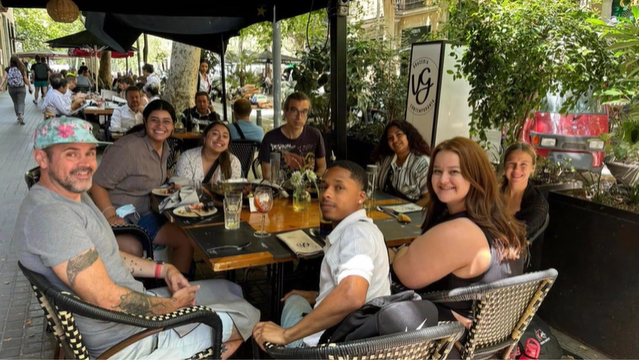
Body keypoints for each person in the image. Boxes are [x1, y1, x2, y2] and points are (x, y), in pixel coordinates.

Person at [16, 117, 260, 359]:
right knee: (249, 315)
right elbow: (106, 298)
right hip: (130, 340)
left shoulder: (69, 194)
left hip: (133, 317)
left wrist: (164, 270)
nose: (86, 164)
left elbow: (105, 256)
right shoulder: (51, 215)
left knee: (231, 288)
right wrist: (170, 308)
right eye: (71, 154)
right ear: (42, 158)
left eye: (90, 153)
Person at [253, 161, 390, 349]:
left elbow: (352, 295)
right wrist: (317, 295)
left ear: (361, 197)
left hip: (328, 347)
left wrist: (286, 335)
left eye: (339, 187)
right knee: (295, 298)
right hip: (361, 338)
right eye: (324, 186)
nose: (326, 193)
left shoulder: (357, 234)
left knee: (273, 315)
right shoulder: (366, 230)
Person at [391, 137, 527, 325]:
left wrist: (401, 250)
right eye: (437, 171)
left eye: (454, 172)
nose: (443, 179)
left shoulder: (460, 231)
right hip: (483, 337)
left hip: (447, 342)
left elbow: (404, 274)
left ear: (475, 176)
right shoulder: (499, 220)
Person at [90, 100, 194, 273]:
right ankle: (136, 295)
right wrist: (110, 215)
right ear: (145, 122)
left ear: (173, 125)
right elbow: (97, 184)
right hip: (120, 215)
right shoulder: (128, 150)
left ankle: (178, 290)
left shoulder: (165, 147)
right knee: (133, 248)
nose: (160, 125)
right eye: (154, 120)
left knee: (187, 239)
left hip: (145, 214)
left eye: (166, 121)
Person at [258, 92, 326, 182]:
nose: (299, 117)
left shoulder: (315, 135)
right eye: (294, 111)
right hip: (280, 191)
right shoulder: (270, 138)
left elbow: (322, 167)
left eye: (304, 112)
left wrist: (311, 181)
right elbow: (267, 175)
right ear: (285, 112)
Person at [372, 120, 431, 206]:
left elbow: (428, 199)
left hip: (412, 216)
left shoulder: (421, 163)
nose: (395, 140)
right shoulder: (384, 161)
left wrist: (404, 212)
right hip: (383, 212)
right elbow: (372, 187)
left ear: (409, 136)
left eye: (399, 134)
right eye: (390, 138)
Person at [501, 142, 549, 239]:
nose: (516, 169)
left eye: (523, 164)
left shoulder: (538, 204)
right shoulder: (491, 192)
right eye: (511, 163)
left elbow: (518, 237)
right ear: (504, 165)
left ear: (532, 168)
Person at [176, 122, 242, 184]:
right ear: (204, 138)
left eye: (225, 136)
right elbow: (184, 190)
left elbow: (233, 192)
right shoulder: (188, 158)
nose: (220, 139)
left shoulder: (233, 161)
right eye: (215, 134)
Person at [0, 55, 33, 125]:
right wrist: (29, 86)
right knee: (21, 102)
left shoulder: (7, 69)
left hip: (11, 88)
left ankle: (18, 116)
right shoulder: (22, 68)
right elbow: (25, 78)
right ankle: (21, 114)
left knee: (15, 102)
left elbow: (4, 77)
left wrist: (1, 85)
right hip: (21, 87)